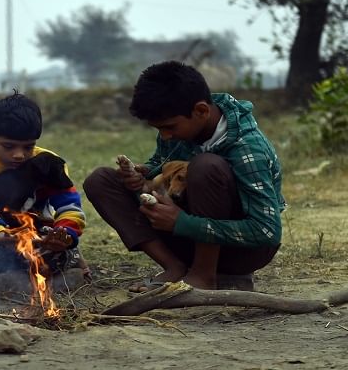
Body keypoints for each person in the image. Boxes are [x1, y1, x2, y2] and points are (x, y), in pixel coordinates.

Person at [83, 61, 284, 291]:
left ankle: (203, 275)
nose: (165, 136)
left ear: (201, 111)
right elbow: (162, 163)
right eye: (158, 129)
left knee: (205, 166)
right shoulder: (179, 132)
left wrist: (184, 223)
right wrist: (144, 174)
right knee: (100, 181)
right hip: (182, 238)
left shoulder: (247, 149)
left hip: (241, 252)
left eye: (169, 127)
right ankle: (174, 267)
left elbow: (266, 232)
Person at [0, 91, 88, 291]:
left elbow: (70, 205)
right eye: (8, 146)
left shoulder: (48, 163)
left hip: (39, 229)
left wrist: (65, 234)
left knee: (47, 262)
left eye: (28, 147)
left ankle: (68, 260)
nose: (19, 155)